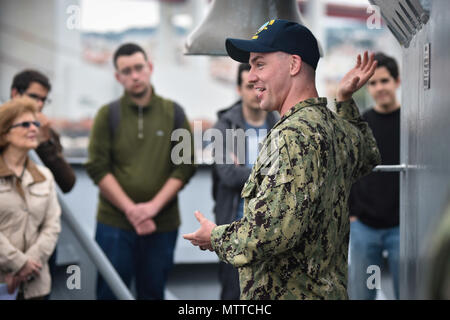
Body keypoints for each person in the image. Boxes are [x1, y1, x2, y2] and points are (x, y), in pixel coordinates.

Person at [183, 19, 381, 300]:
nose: (250, 76)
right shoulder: (334, 126)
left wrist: (214, 237)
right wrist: (345, 100)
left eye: (259, 64)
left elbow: (270, 234)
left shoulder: (291, 136)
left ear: (293, 65)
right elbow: (367, 156)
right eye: (251, 66)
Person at [85, 43, 196, 300]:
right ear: (117, 77)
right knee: (110, 293)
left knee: (153, 294)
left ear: (150, 67)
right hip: (115, 225)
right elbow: (98, 167)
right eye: (126, 71)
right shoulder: (107, 115)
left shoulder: (174, 113)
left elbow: (185, 165)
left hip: (161, 224)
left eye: (138, 68)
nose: (134, 76)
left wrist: (151, 209)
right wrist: (133, 211)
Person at [212, 63, 279, 299]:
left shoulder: (280, 124)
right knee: (233, 295)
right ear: (239, 89)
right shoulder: (224, 127)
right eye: (249, 86)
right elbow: (228, 175)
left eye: (259, 85)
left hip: (275, 231)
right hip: (235, 230)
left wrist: (247, 170)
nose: (255, 91)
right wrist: (271, 173)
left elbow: (289, 176)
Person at [347, 52, 401, 300]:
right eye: (373, 83)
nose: (379, 88)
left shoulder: (414, 123)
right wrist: (353, 215)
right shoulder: (362, 123)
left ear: (397, 81)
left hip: (402, 226)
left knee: (408, 292)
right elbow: (347, 170)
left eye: (385, 81)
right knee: (361, 295)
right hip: (364, 226)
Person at [0, 97, 61, 300]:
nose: (34, 128)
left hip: (36, 285)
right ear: (5, 133)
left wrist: (29, 264)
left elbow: (52, 225)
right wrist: (17, 263)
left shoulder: (45, 176)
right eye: (25, 124)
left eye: (35, 123)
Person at [10, 70, 76, 193]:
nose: (39, 104)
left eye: (43, 100)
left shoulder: (46, 132)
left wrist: (45, 143)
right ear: (15, 94)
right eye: (33, 97)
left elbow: (67, 183)